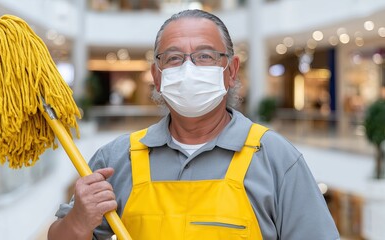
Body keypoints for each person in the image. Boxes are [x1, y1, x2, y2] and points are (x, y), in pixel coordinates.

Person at [48, 9, 340, 240]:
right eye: (174, 58)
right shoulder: (115, 159)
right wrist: (78, 220)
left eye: (204, 56)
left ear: (231, 70)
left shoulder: (276, 158)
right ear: (158, 75)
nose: (189, 69)